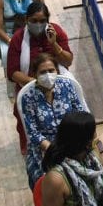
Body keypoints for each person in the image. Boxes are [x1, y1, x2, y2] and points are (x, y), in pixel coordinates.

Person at [39, 112, 103, 206]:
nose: (97, 136)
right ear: (85, 142)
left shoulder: (91, 157)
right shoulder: (56, 180)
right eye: (94, 133)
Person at [19, 54, 88, 188]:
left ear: (57, 71)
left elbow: (80, 114)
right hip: (44, 147)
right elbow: (33, 133)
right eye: (43, 72)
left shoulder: (67, 86)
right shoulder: (28, 97)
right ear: (35, 74)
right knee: (46, 182)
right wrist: (54, 150)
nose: (48, 75)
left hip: (71, 141)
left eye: (51, 70)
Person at [6, 0, 73, 97]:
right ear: (26, 19)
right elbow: (12, 72)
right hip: (30, 86)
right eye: (34, 21)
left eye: (42, 21)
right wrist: (36, 83)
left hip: (58, 83)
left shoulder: (56, 31)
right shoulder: (18, 38)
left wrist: (54, 44)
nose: (38, 24)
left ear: (47, 20)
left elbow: (68, 62)